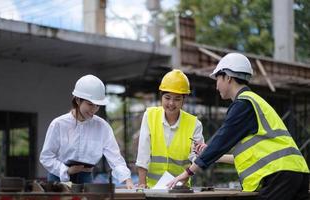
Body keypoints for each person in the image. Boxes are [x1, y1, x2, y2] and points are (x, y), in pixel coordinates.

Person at [167, 53, 309, 200]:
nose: (216, 86)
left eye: (217, 79)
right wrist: (214, 156)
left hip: (279, 175)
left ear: (228, 77)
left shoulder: (243, 104)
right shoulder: (254, 101)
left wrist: (187, 173)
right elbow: (248, 156)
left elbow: (220, 140)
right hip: (296, 171)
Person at [40, 74, 134, 188]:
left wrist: (127, 179)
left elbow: (115, 157)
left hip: (86, 177)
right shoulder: (59, 124)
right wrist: (67, 170)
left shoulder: (102, 127)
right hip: (58, 177)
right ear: (78, 100)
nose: (94, 109)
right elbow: (46, 157)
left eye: (97, 105)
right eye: (90, 104)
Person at [136, 69, 204, 188]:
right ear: (161, 97)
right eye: (167, 98)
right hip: (152, 188)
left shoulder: (195, 124)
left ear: (184, 100)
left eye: (177, 99)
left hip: (180, 189)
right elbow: (143, 153)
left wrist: (181, 182)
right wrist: (142, 184)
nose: (171, 103)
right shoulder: (150, 115)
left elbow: (197, 159)